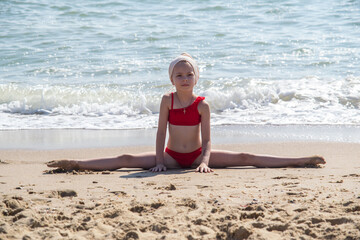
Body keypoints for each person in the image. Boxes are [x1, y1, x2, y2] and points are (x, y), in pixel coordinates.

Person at [47, 53, 325, 173]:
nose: (184, 78)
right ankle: (77, 164)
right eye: (179, 74)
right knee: (125, 158)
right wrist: (158, 161)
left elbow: (208, 141)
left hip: (196, 157)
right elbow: (159, 133)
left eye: (189, 74)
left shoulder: (202, 105)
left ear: (196, 77)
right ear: (172, 79)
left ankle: (300, 160)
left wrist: (204, 162)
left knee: (245, 157)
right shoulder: (166, 100)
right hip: (169, 157)